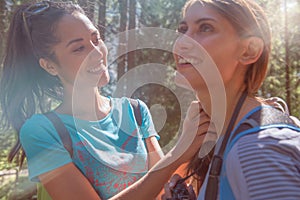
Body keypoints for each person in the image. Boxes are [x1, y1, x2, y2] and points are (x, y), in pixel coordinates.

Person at [110, 0, 300, 199]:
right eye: (183, 29)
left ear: (249, 50)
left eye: (205, 28)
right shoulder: (233, 141)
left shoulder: (256, 151)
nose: (182, 42)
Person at [0, 1, 164, 199]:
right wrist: (181, 151)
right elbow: (160, 177)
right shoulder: (42, 131)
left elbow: (164, 188)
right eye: (79, 48)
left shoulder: (136, 111)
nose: (98, 52)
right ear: (50, 66)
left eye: (97, 39)